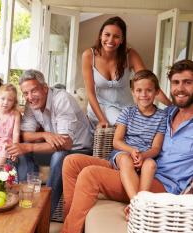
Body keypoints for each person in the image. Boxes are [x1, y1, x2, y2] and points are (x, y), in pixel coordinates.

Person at [61, 59, 193, 233]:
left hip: (162, 184)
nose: (180, 88)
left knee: (90, 175)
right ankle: (72, 223)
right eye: (176, 82)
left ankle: (69, 231)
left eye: (188, 82)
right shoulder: (168, 113)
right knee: (71, 162)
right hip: (133, 165)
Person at [6, 69, 93, 215]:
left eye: (33, 91)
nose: (29, 97)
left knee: (58, 156)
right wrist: (45, 134)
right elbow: (24, 135)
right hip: (55, 147)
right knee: (19, 152)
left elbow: (65, 143)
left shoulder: (62, 99)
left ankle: (44, 213)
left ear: (45, 88)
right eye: (25, 93)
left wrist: (29, 146)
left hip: (79, 149)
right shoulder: (31, 103)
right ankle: (28, 203)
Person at [83, 16, 171, 128]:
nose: (110, 40)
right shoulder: (89, 55)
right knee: (128, 126)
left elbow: (149, 83)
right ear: (100, 35)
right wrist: (102, 119)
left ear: (122, 39)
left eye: (116, 36)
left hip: (127, 109)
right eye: (107, 34)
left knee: (150, 125)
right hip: (100, 109)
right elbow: (90, 92)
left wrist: (171, 105)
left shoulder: (130, 55)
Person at [110, 70, 167, 218]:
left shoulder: (162, 116)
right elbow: (117, 141)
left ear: (156, 92)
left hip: (146, 155)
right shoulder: (127, 112)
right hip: (125, 152)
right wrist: (132, 150)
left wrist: (143, 155)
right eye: (139, 90)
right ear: (133, 93)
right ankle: (135, 202)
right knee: (125, 159)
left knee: (151, 165)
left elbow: (156, 148)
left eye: (149, 90)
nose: (144, 94)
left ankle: (140, 203)